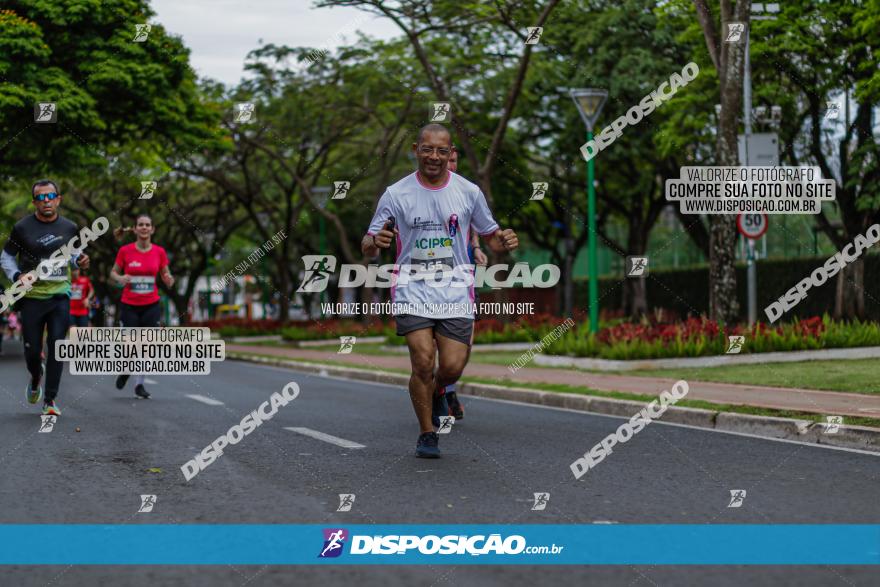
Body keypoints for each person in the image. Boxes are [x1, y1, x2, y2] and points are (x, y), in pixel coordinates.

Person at [362, 123, 518, 458]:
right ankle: (427, 433)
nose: (434, 156)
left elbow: (490, 234)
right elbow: (368, 243)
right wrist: (375, 242)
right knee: (422, 362)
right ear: (416, 149)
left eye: (442, 151)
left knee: (452, 366)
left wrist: (502, 242)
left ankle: (439, 390)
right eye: (428, 149)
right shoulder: (396, 193)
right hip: (412, 288)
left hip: (455, 292)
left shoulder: (468, 192)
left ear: (450, 155)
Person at [0, 179, 90, 416]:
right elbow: (6, 257)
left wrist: (81, 260)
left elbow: (75, 255)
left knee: (57, 346)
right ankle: (36, 375)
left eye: (50, 196)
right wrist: (18, 275)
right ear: (34, 203)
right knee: (31, 351)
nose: (46, 201)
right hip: (31, 298)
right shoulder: (22, 228)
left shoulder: (70, 228)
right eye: (41, 198)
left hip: (60, 295)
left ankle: (50, 400)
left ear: (58, 199)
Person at [441, 147, 488, 421]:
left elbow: (473, 225)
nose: (450, 164)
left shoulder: (466, 192)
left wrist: (476, 246)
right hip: (428, 281)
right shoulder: (419, 191)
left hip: (463, 279)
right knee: (436, 342)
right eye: (447, 160)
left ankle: (448, 387)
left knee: (465, 343)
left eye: (454, 160)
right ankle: (439, 389)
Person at [110, 214, 174, 399]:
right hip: (129, 304)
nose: (144, 227)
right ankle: (125, 370)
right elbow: (113, 272)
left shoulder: (159, 252)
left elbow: (165, 272)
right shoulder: (125, 251)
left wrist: (169, 279)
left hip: (151, 304)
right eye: (141, 225)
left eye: (147, 225)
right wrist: (120, 278)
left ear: (152, 229)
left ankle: (139, 385)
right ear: (135, 229)